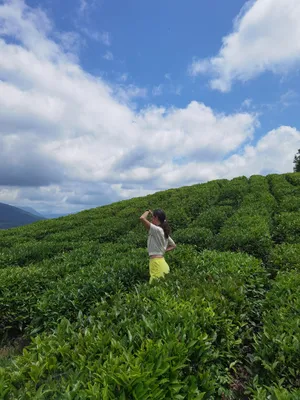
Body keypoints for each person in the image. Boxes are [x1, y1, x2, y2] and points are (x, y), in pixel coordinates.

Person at [139, 209, 176, 283]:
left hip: (156, 263)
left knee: (154, 287)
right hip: (161, 262)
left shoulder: (157, 230)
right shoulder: (164, 232)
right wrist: (162, 250)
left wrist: (147, 211)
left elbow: (142, 218)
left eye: (152, 217)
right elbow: (173, 245)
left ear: (156, 218)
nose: (151, 219)